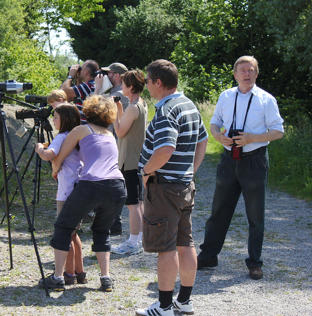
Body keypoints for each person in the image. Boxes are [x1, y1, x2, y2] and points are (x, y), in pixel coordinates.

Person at [197, 56, 284, 281]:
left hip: (254, 160)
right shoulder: (226, 96)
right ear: (235, 74)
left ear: (256, 74)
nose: (247, 73)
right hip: (228, 158)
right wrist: (217, 135)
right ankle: (208, 256)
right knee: (218, 210)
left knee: (255, 215)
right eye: (242, 70)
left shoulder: (266, 100)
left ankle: (254, 263)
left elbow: (278, 131)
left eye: (251, 70)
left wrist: (253, 138)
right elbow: (214, 122)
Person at [136, 59, 208, 316]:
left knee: (165, 248)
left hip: (165, 187)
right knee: (185, 242)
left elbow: (165, 148)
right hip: (183, 185)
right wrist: (191, 170)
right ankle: (184, 301)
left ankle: (164, 306)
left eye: (147, 81)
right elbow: (203, 140)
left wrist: (146, 170)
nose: (146, 85)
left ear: (158, 82)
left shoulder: (166, 110)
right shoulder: (189, 104)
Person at [39, 95, 127, 292]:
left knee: (63, 226)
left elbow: (59, 158)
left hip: (91, 184)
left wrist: (55, 171)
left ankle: (58, 277)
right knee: (102, 231)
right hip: (117, 186)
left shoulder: (81, 130)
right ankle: (106, 278)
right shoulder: (109, 133)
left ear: (88, 111)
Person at [34, 103, 87, 286]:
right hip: (80, 190)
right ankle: (80, 272)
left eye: (55, 117)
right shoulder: (79, 138)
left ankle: (68, 274)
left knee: (65, 234)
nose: (53, 120)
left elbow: (49, 155)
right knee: (74, 233)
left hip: (66, 193)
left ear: (64, 120)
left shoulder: (62, 137)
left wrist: (40, 148)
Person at [110, 69, 147, 255]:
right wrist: (119, 109)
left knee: (133, 204)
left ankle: (133, 242)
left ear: (131, 87)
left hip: (129, 161)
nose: (121, 87)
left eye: (124, 84)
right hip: (134, 159)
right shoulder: (140, 104)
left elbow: (119, 131)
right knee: (137, 203)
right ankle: (137, 239)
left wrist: (116, 112)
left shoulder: (133, 108)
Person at [95, 62, 130, 235]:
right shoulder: (121, 93)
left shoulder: (117, 95)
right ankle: (113, 221)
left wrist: (98, 89)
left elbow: (95, 112)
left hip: (113, 144)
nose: (106, 77)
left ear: (116, 76)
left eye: (109, 74)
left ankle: (113, 222)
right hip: (116, 143)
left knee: (110, 183)